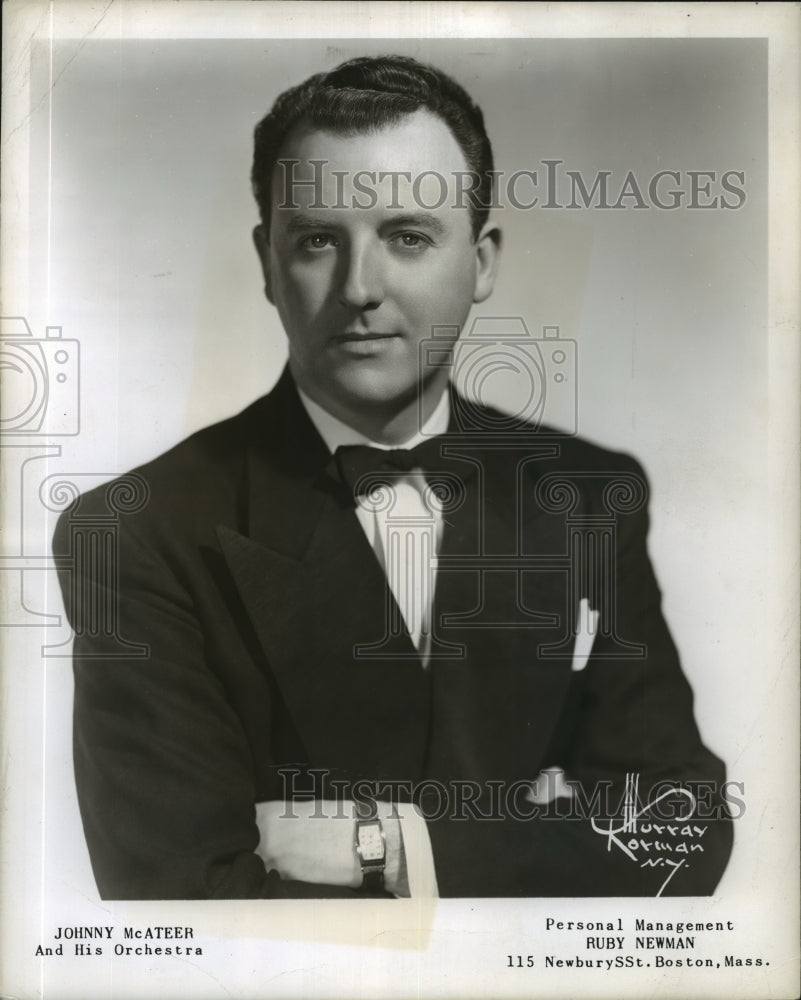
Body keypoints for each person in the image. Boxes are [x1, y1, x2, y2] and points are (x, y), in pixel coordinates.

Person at [53, 55, 733, 899]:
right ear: (268, 262)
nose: (359, 288)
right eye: (315, 241)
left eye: (407, 237)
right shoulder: (136, 530)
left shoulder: (588, 493)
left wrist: (390, 845)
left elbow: (680, 826)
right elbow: (183, 904)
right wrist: (543, 838)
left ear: (482, 263)